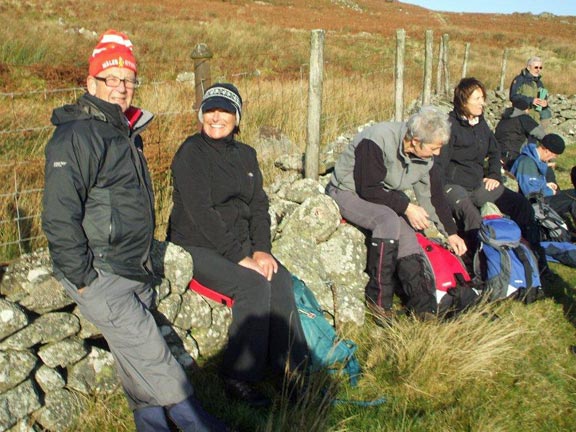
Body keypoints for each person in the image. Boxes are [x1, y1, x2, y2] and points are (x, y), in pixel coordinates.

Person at [42, 30, 228, 432]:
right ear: (90, 83)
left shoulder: (123, 131)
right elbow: (58, 215)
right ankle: (198, 424)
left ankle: (152, 425)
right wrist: (84, 279)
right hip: (102, 273)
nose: (122, 87)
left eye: (128, 78)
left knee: (134, 359)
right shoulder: (76, 136)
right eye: (112, 77)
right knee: (154, 356)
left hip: (133, 267)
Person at [167, 83, 309, 407]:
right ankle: (239, 376)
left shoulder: (246, 155)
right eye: (211, 110)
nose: (217, 117)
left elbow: (259, 206)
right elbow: (199, 212)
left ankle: (291, 369)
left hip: (240, 242)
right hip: (196, 245)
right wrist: (238, 257)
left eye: (225, 111)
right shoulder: (191, 153)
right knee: (252, 284)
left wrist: (261, 249)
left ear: (237, 117)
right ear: (202, 114)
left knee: (279, 277)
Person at [325, 106, 467, 323]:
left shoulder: (425, 158)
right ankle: (380, 303)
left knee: (408, 234)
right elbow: (369, 188)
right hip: (347, 191)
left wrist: (450, 232)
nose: (437, 153)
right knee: (388, 220)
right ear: (415, 140)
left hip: (381, 195)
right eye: (434, 147)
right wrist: (407, 207)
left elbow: (433, 198)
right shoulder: (377, 139)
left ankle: (424, 306)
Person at [436, 77, 549, 275]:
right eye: (478, 98)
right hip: (453, 186)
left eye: (483, 98)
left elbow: (495, 151)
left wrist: (495, 175)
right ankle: (481, 271)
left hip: (478, 185)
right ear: (463, 101)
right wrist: (443, 192)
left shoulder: (481, 123)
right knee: (472, 216)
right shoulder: (449, 126)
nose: (483, 102)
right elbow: (439, 166)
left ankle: (536, 259)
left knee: (520, 204)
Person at [511, 134, 576, 222]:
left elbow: (532, 183)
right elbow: (530, 193)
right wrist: (550, 191)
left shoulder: (534, 160)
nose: (553, 158)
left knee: (573, 194)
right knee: (572, 200)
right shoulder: (527, 163)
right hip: (532, 205)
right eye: (554, 155)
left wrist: (545, 185)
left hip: (539, 200)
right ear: (547, 151)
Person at [494, 98, 546, 170]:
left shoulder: (504, 119)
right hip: (514, 158)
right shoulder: (524, 119)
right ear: (526, 109)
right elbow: (541, 135)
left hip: (497, 156)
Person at [509, 56, 552, 127]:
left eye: (540, 67)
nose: (538, 70)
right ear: (529, 67)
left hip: (537, 119)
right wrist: (531, 100)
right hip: (522, 118)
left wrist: (545, 103)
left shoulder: (539, 83)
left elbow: (544, 98)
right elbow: (513, 97)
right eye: (536, 67)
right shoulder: (519, 79)